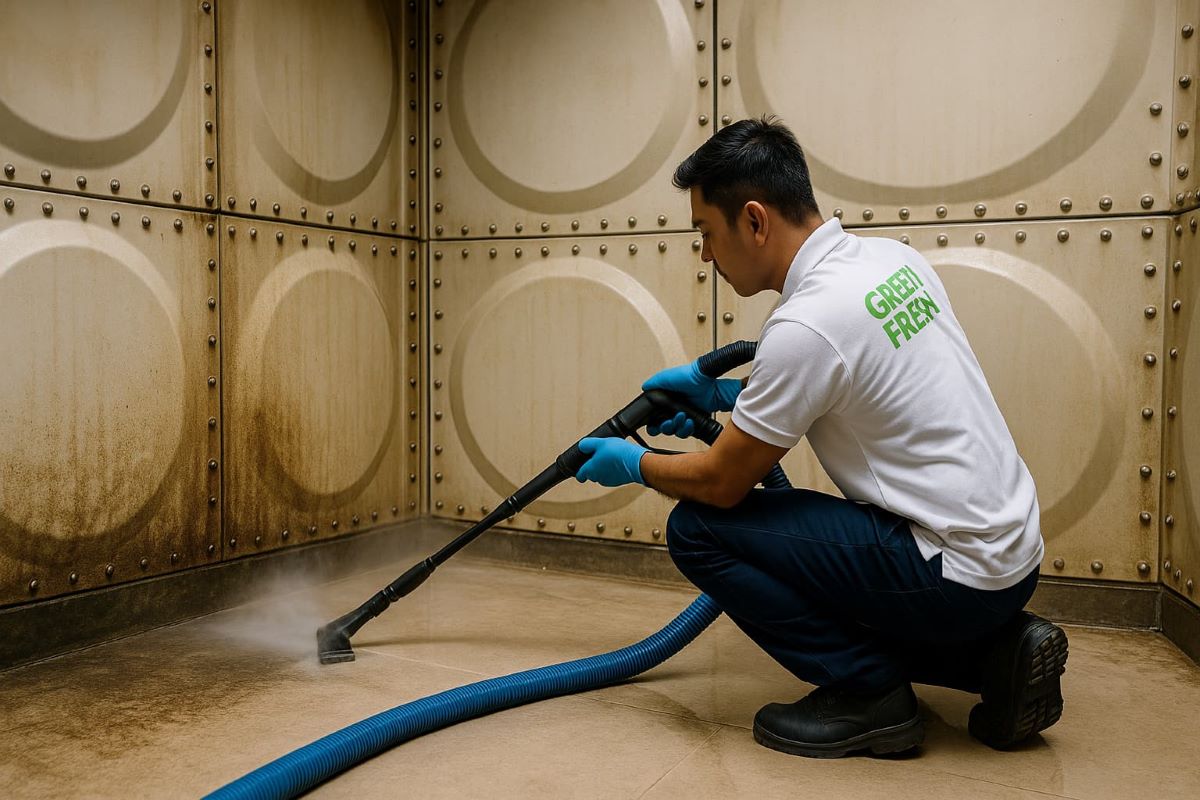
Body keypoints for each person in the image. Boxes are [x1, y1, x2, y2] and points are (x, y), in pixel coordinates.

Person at [572, 116, 1068, 759]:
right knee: (830, 558)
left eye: (705, 233)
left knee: (698, 531)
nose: (704, 255)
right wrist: (720, 396)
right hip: (1013, 556)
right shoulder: (892, 260)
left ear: (753, 220)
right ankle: (997, 655)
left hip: (951, 571)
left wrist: (635, 463)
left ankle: (870, 694)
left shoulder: (805, 324)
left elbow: (723, 484)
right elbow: (850, 385)